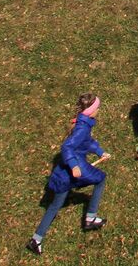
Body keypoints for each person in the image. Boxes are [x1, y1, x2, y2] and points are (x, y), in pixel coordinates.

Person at [28, 93, 110, 254]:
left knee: (55, 206)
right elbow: (67, 147)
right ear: (91, 111)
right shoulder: (82, 128)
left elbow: (88, 142)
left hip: (66, 174)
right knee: (101, 179)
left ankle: (36, 239)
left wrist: (100, 152)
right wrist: (74, 166)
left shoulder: (84, 124)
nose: (99, 110)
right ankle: (90, 218)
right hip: (76, 169)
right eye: (97, 108)